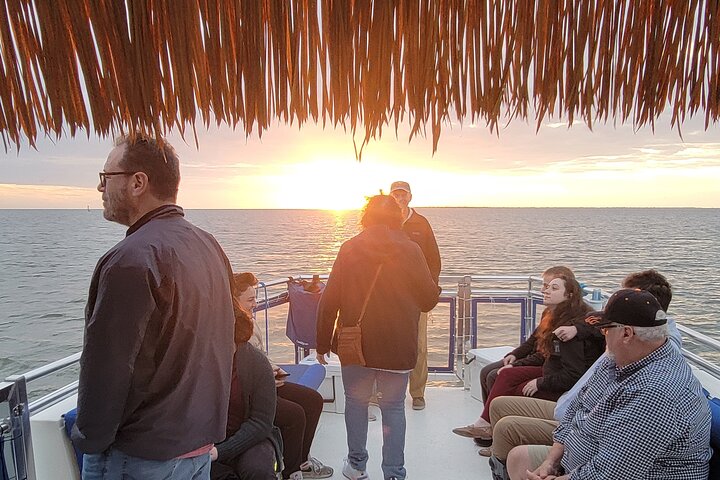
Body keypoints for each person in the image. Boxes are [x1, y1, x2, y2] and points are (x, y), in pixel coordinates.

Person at [72, 135, 236, 479]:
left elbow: (109, 367)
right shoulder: (209, 246)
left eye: (106, 177)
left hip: (141, 456)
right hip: (197, 445)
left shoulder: (130, 260)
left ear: (137, 182)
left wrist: (90, 439)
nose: (100, 188)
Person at [485, 269, 683, 479]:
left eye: (605, 330)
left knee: (515, 447)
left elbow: (612, 471)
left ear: (626, 333)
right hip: (577, 447)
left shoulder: (655, 390)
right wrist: (550, 461)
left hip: (593, 465)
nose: (603, 335)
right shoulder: (617, 360)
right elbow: (578, 404)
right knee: (517, 452)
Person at [316, 195, 440, 480]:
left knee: (356, 403)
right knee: (393, 408)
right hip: (398, 345)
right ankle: (394, 473)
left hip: (355, 345)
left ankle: (356, 466)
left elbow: (329, 300)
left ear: (366, 217)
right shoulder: (411, 249)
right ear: (398, 217)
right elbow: (428, 300)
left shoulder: (349, 248)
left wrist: (322, 343)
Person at [452, 266, 603, 441]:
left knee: (506, 381)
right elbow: (535, 341)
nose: (544, 290)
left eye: (552, 287)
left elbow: (570, 366)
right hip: (548, 365)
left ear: (569, 294)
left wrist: (537, 380)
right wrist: (515, 356)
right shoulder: (552, 313)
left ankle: (494, 432)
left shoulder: (571, 328)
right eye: (546, 286)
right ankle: (488, 429)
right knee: (494, 373)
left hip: (555, 372)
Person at [234, 272, 333, 479]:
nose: (255, 304)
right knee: (295, 415)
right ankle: (291, 472)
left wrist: (274, 369)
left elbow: (259, 356)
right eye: (250, 300)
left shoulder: (249, 320)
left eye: (256, 298)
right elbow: (238, 372)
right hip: (251, 393)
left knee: (313, 400)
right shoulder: (233, 328)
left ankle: (302, 461)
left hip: (266, 382)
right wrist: (267, 378)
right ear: (234, 300)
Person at [210, 297, 281, 480]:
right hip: (206, 442)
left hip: (250, 438)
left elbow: (261, 422)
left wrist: (221, 451)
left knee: (258, 471)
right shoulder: (197, 362)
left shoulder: (257, 363)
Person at [389, 181, 441, 411]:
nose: (400, 198)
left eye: (403, 194)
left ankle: (418, 393)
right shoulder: (384, 222)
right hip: (388, 296)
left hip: (416, 296)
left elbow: (434, 259)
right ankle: (385, 391)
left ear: (410, 197)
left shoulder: (421, 223)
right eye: (396, 195)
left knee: (419, 345)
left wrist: (431, 290)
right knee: (386, 341)